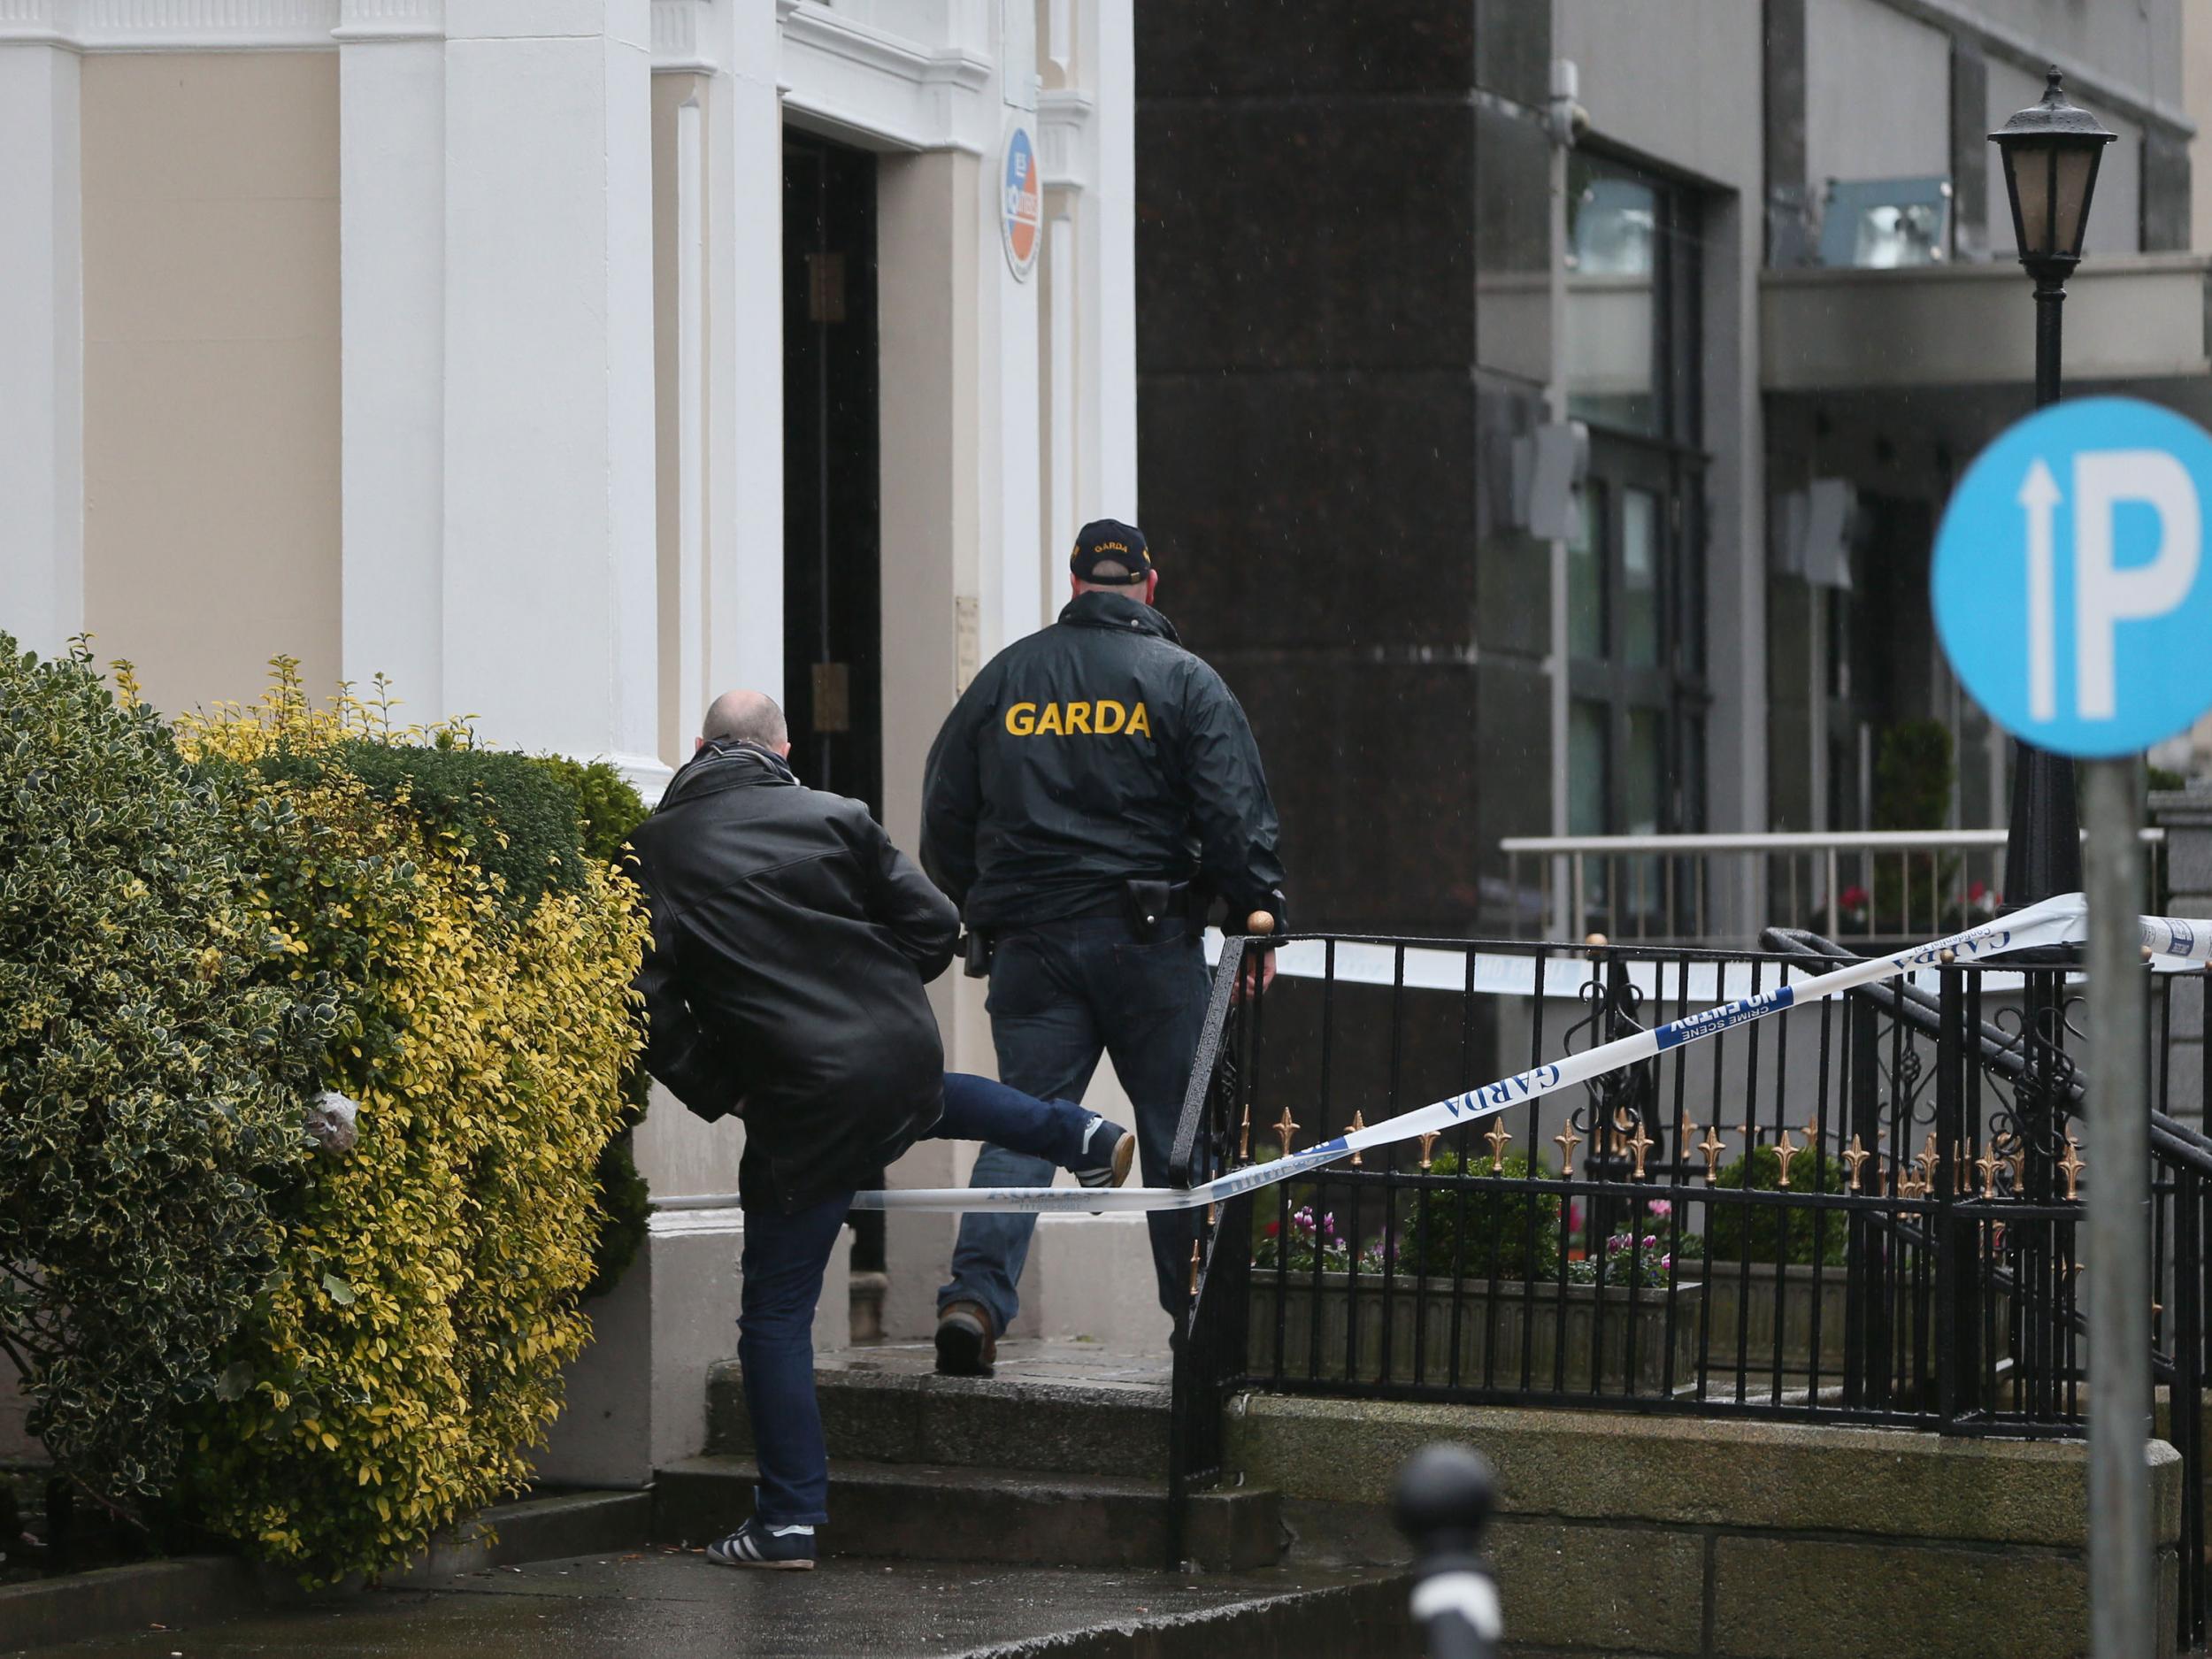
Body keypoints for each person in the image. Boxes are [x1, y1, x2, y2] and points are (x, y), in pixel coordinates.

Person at [628, 689, 1137, 1571]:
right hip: (891, 1047)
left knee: (776, 1318)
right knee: (928, 1096)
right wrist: (868, 986)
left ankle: (787, 1521)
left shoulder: (652, 853)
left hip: (793, 1092)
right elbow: (935, 925)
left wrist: (726, 1089)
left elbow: (651, 1004)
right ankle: (1083, 1137)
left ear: (698, 747)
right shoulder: (837, 815)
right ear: (782, 747)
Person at [920, 518, 1288, 1376]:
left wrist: (989, 901)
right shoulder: (1183, 680)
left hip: (1031, 947)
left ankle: (974, 1301)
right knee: (1177, 1139)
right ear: (1149, 588)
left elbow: (944, 816)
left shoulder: (1004, 679)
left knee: (1023, 1127)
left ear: (1077, 586)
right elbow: (1234, 816)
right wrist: (1253, 917)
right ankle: (1197, 1323)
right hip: (1149, 945)